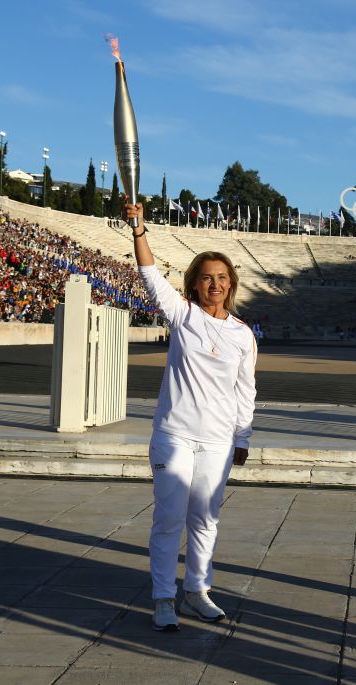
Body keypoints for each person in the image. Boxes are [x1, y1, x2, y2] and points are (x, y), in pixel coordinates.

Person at [124, 201, 257, 633]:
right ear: (194, 285)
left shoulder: (242, 334)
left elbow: (245, 390)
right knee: (169, 517)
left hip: (219, 441)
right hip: (175, 435)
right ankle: (164, 597)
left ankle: (197, 591)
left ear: (230, 283)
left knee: (206, 519)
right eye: (206, 278)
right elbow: (148, 275)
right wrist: (139, 228)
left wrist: (243, 438)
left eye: (221, 278)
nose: (214, 284)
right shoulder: (183, 316)